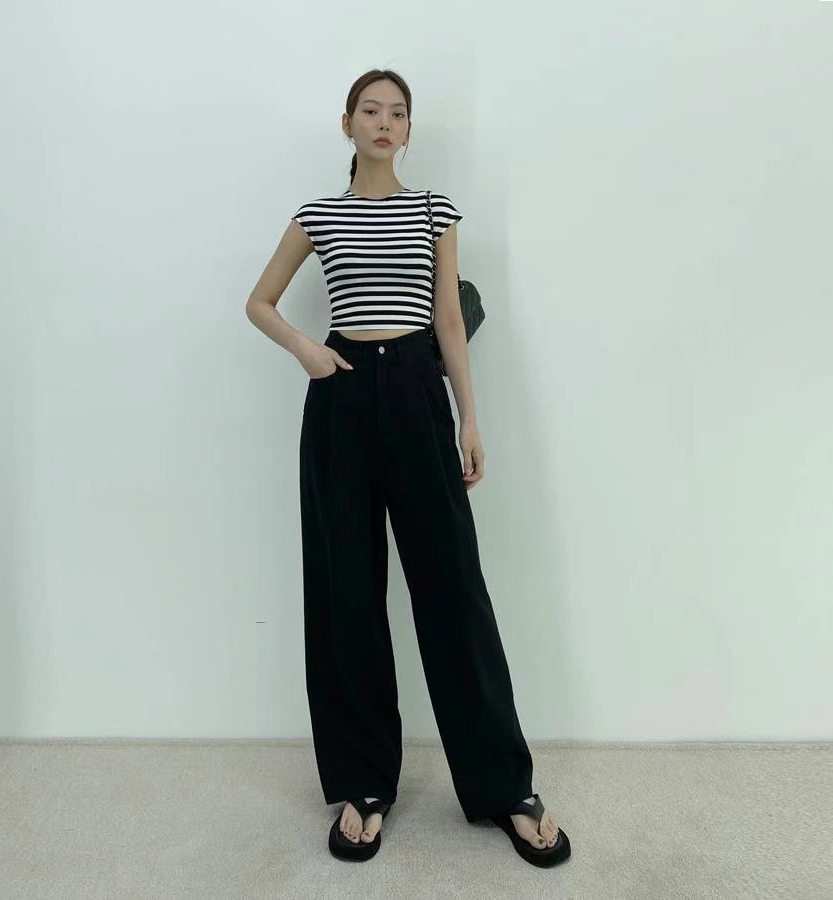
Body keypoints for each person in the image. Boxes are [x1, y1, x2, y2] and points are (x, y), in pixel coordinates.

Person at [245, 68, 570, 868]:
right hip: (342, 395)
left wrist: (469, 418)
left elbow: (449, 319)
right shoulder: (319, 214)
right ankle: (363, 785)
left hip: (421, 393)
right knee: (348, 594)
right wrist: (308, 351)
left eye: (397, 113)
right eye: (371, 111)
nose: (384, 122)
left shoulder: (434, 209)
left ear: (409, 130)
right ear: (348, 124)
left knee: (454, 590)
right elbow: (260, 301)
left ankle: (505, 787)